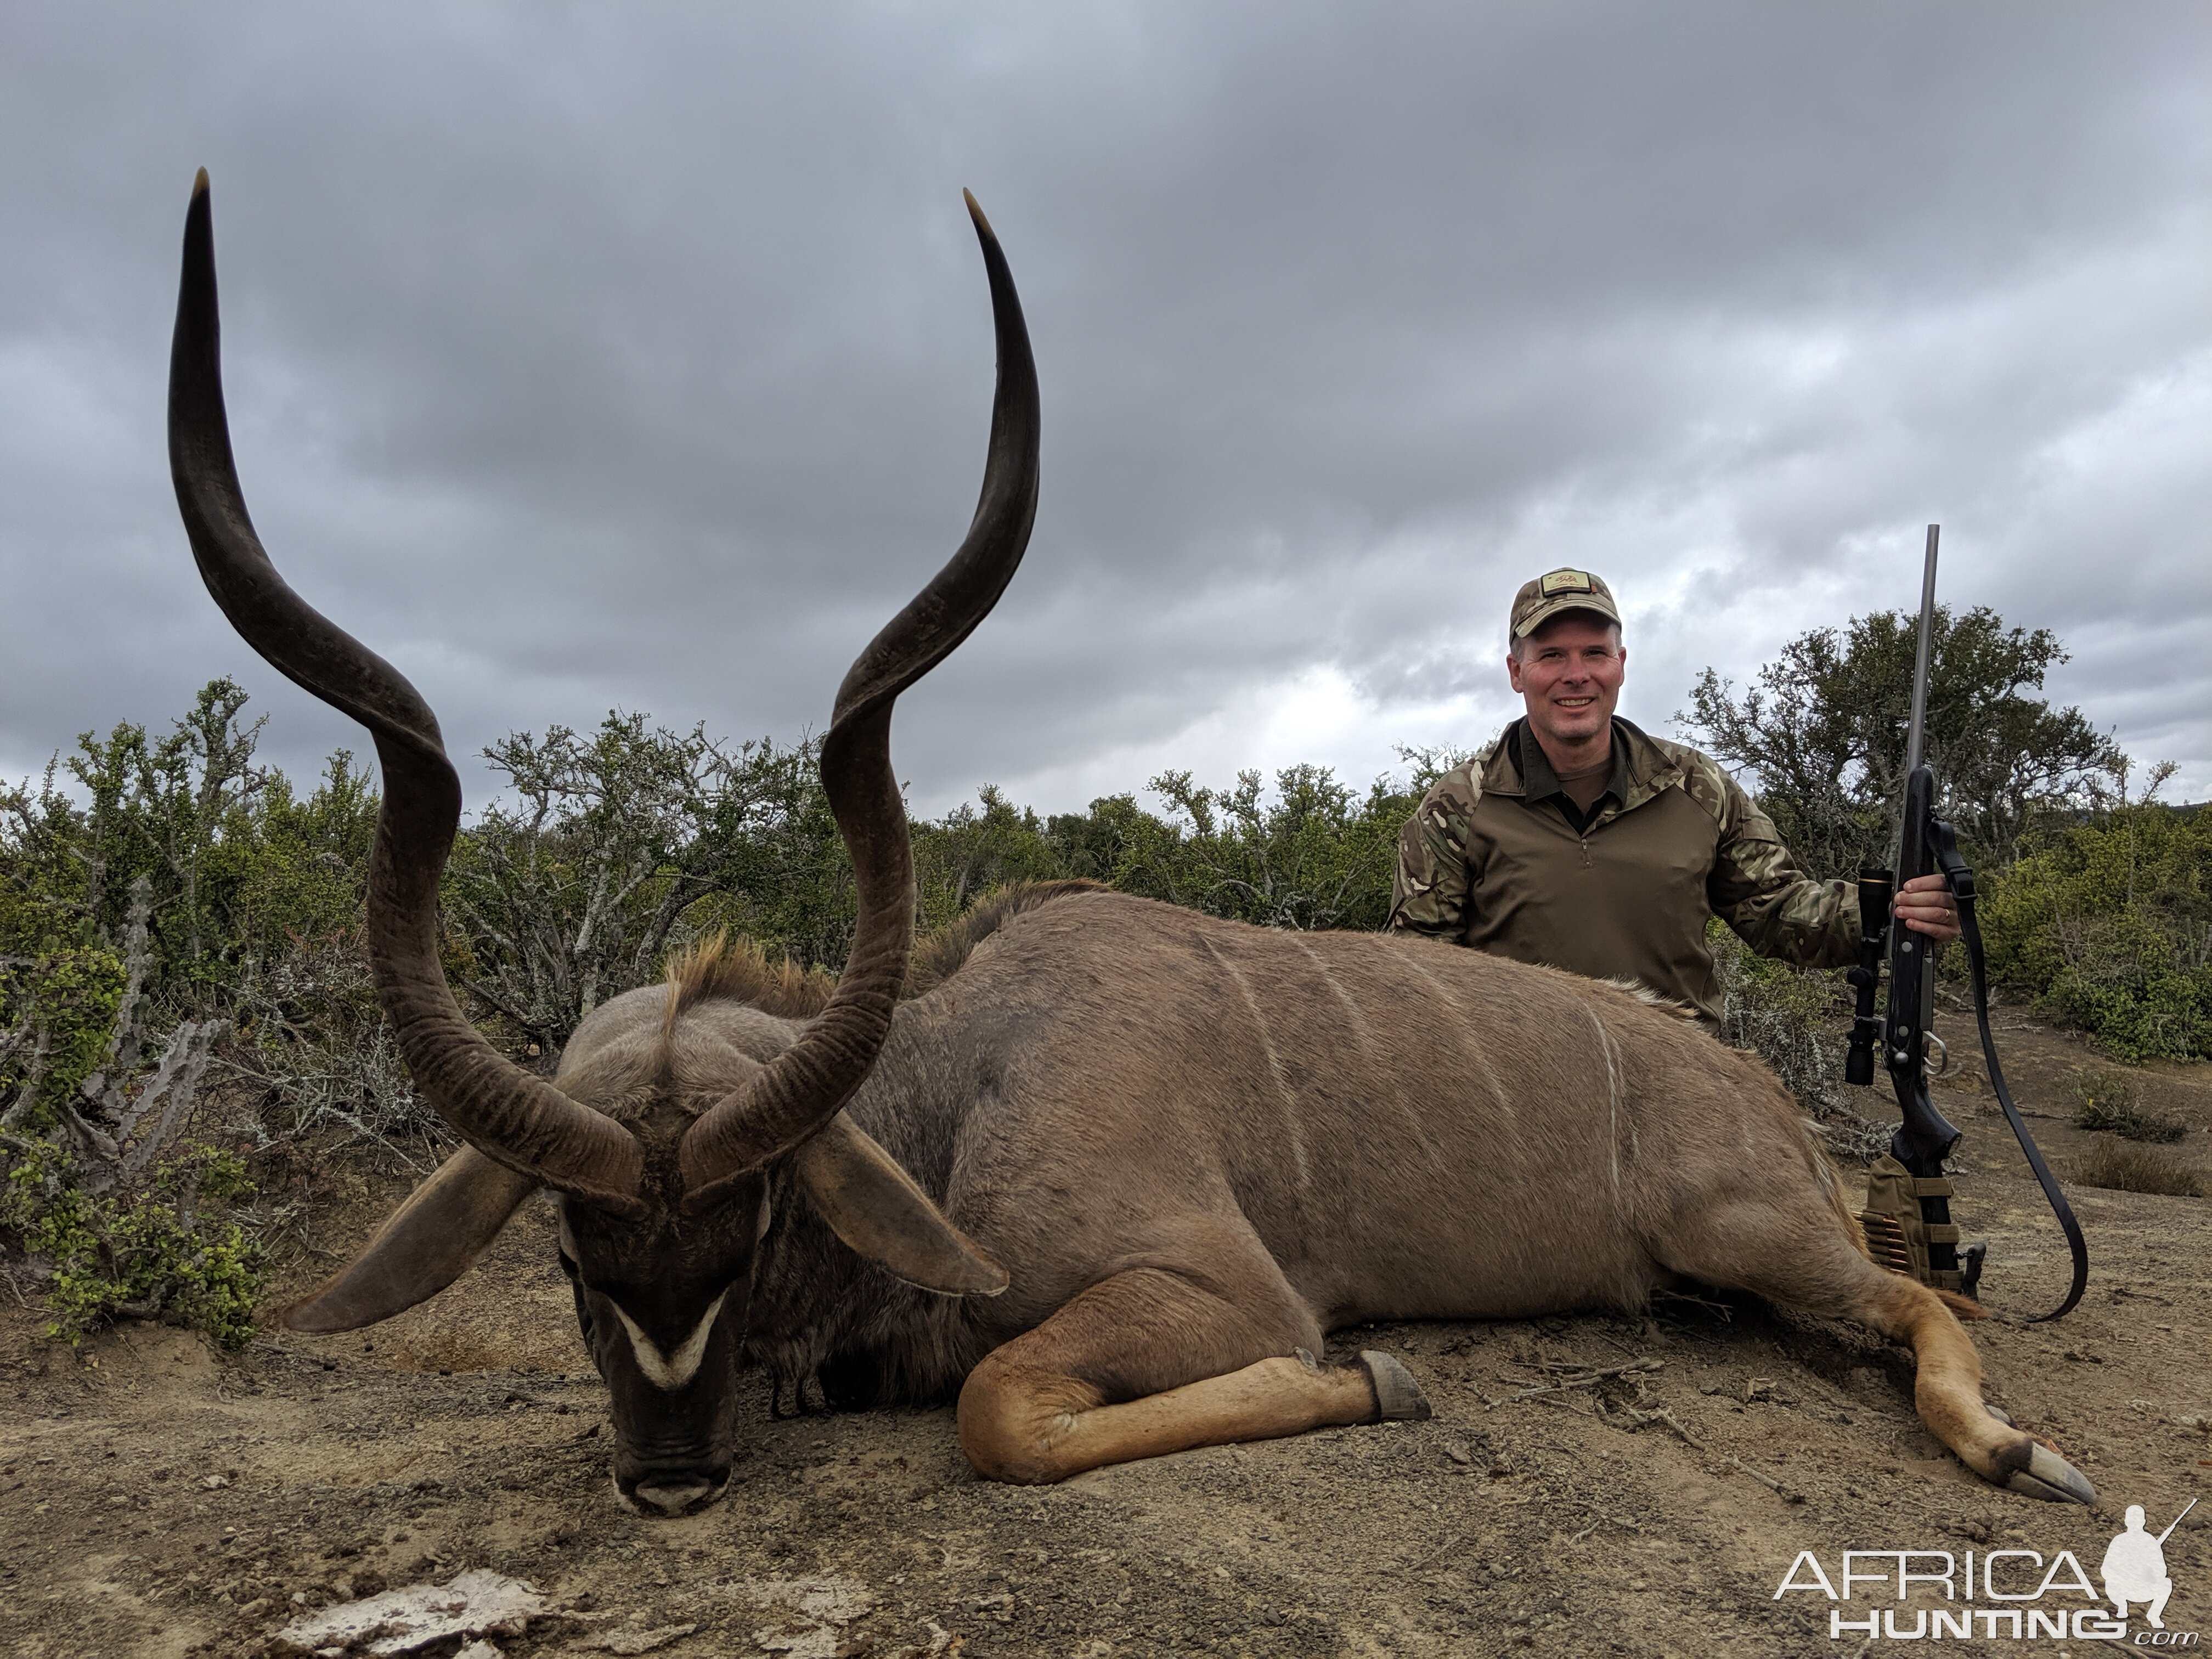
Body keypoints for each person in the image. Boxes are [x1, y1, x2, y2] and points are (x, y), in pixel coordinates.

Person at [1387, 567, 1966, 1284]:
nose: (1576, 675)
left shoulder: (1697, 788)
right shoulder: (1457, 808)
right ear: (1516, 672)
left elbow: (1782, 913)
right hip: (1522, 1117)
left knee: (1787, 1269)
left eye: (1594, 653)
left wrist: (1887, 911)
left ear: (1621, 664)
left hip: (1681, 1106)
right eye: (1552, 656)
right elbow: (1411, 993)